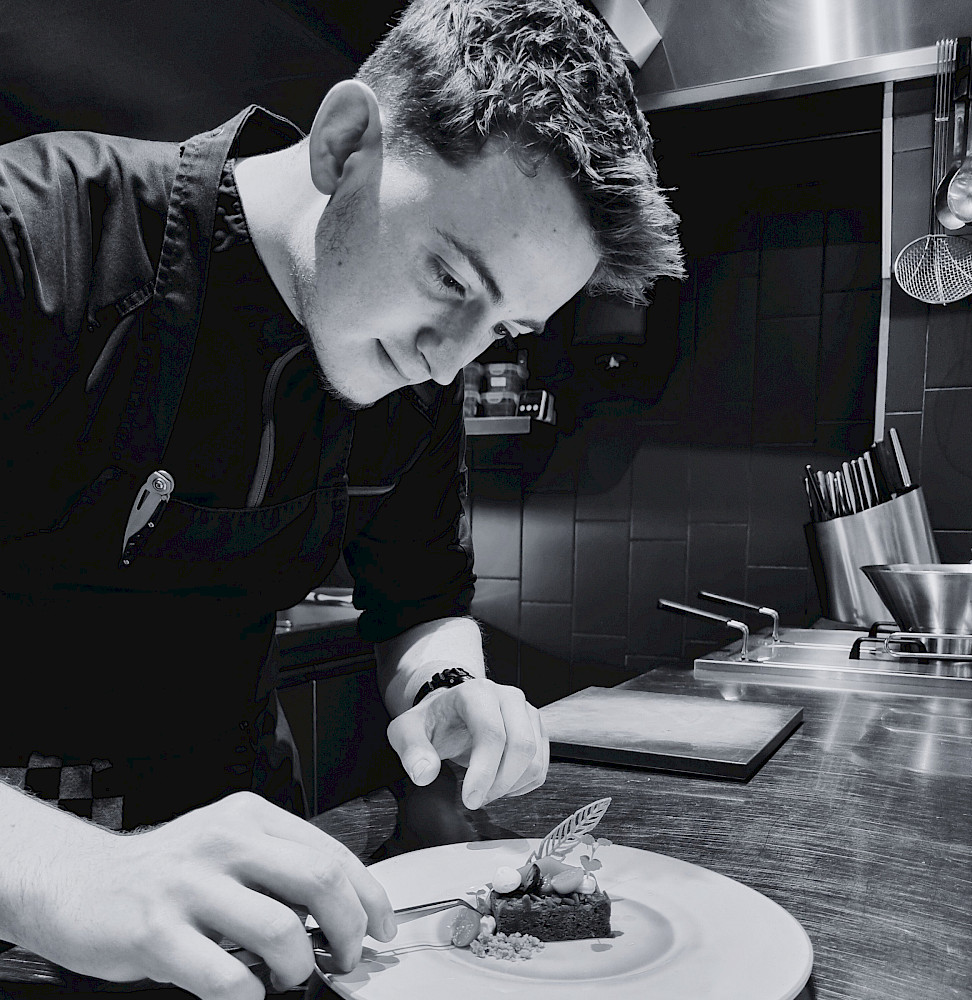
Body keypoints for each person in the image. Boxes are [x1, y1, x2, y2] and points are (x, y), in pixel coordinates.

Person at [0, 0, 683, 996]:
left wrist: (450, 690)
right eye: (451, 277)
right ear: (345, 142)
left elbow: (420, 605)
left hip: (259, 892)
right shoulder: (34, 238)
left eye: (503, 330)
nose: (449, 362)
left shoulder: (416, 378)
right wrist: (70, 873)